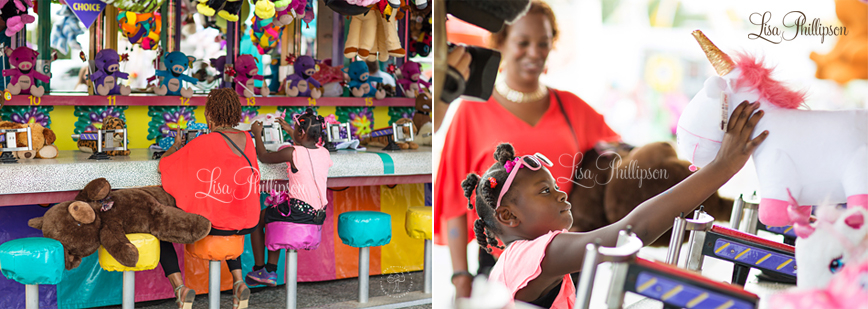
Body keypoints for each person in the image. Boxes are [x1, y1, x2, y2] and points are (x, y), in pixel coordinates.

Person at [462, 102, 768, 308]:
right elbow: (634, 231)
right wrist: (722, 167)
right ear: (508, 215)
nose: (561, 194)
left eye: (555, 186)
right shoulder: (534, 255)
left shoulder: (519, 260)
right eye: (545, 190)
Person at [435, 0, 621, 298]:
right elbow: (454, 204)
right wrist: (460, 277)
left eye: (543, 43)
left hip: (568, 263)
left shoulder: (572, 107)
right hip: (503, 268)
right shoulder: (472, 112)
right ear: (501, 42)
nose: (534, 52)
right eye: (523, 42)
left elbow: (619, 162)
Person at [158, 88, 261, 309]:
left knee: (159, 221)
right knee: (225, 211)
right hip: (244, 226)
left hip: (212, 228)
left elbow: (165, 166)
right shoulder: (247, 139)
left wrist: (176, 146)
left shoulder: (203, 142)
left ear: (209, 115)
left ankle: (179, 288)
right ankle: (238, 281)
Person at [245, 109, 333, 286]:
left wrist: (256, 134)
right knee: (275, 212)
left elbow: (263, 157)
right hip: (317, 216)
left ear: (300, 133)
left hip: (297, 212)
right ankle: (270, 269)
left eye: (295, 129)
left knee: (256, 220)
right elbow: (306, 149)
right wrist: (290, 130)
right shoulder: (324, 153)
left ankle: (262, 269)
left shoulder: (291, 152)